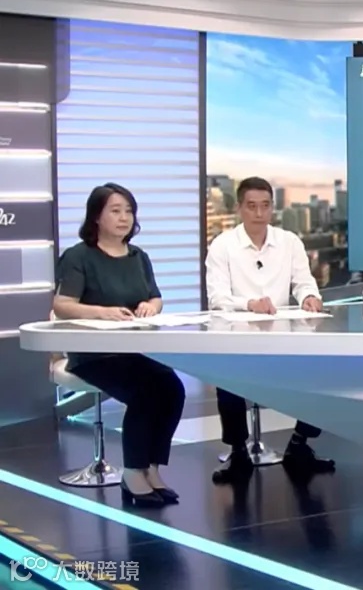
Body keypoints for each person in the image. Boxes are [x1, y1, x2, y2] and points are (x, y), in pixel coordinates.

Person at [52, 183, 186, 508]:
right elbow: (62, 305)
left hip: (134, 349)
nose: (124, 217)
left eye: (129, 211)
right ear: (96, 216)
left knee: (173, 389)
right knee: (145, 392)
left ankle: (151, 468)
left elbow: (155, 296)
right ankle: (133, 474)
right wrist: (102, 312)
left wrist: (151, 306)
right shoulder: (79, 256)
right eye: (115, 210)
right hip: (94, 353)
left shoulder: (139, 257)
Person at [205, 176, 334, 483]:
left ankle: (299, 444)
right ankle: (238, 452)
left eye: (265, 206)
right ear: (239, 208)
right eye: (252, 206)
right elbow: (217, 298)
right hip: (237, 338)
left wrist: (309, 296)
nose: (259, 213)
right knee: (227, 374)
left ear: (273, 207)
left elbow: (303, 281)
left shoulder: (289, 242)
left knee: (325, 371)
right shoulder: (223, 245)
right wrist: (250, 304)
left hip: (282, 338)